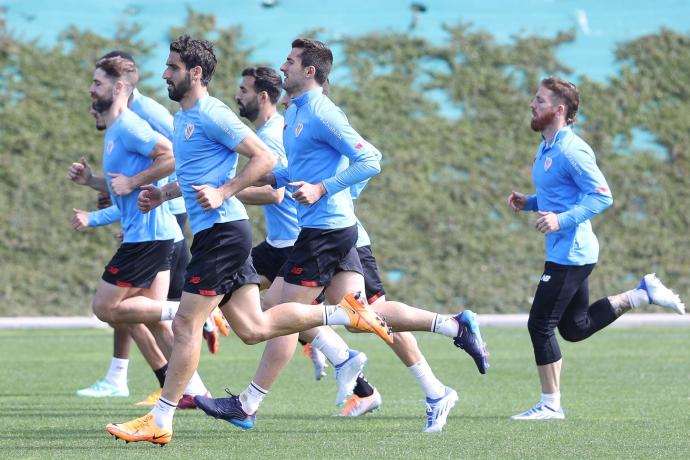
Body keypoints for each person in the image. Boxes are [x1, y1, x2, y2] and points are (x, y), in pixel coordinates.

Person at [106, 34, 393, 446]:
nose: (165, 74)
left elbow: (266, 159)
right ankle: (343, 316)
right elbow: (198, 177)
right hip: (220, 234)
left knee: (187, 322)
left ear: (196, 73)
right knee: (254, 327)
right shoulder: (183, 119)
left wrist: (225, 193)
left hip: (224, 234)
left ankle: (160, 419)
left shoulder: (213, 114)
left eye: (172, 68)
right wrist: (162, 193)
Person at [193, 38, 488, 433]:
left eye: (291, 60)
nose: (284, 65)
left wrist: (323, 190)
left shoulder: (322, 113)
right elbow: (290, 175)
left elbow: (371, 159)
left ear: (309, 70)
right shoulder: (297, 113)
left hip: (326, 231)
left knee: (280, 315)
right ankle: (453, 327)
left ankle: (248, 403)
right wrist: (243, 180)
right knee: (364, 313)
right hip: (326, 230)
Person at [507, 76, 685, 420]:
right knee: (574, 328)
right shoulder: (547, 147)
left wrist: (562, 220)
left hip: (571, 254)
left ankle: (550, 405)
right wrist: (530, 203)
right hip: (567, 250)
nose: (532, 104)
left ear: (559, 110)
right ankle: (641, 294)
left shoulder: (573, 151)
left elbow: (602, 196)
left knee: (539, 324)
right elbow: (559, 194)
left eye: (540, 101)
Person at [68, 57, 210, 405]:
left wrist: (136, 181)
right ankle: (194, 391)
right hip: (146, 234)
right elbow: (123, 187)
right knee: (153, 319)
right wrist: (91, 181)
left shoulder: (131, 125)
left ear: (118, 88)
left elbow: (173, 155)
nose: (91, 88)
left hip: (150, 235)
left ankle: (184, 311)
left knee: (106, 308)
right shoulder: (116, 131)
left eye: (98, 83)